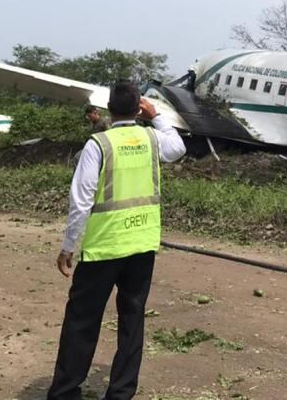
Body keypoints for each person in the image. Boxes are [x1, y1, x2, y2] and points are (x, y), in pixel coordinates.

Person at [47, 80, 185, 400]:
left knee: (82, 321)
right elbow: (177, 147)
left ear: (109, 109)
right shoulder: (152, 138)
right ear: (139, 108)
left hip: (104, 248)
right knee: (132, 321)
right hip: (141, 245)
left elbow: (80, 201)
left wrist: (69, 247)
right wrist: (158, 116)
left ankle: (66, 392)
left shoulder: (99, 145)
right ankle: (121, 392)